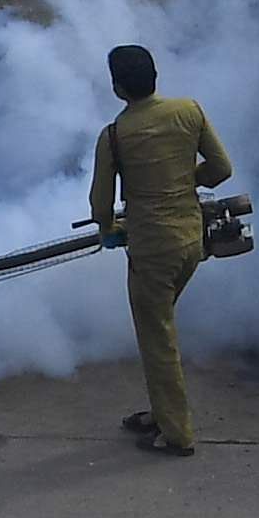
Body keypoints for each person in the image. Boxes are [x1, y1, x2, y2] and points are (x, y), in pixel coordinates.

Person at [87, 42, 231, 458]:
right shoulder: (190, 110)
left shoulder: (114, 135)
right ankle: (162, 411)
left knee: (158, 339)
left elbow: (100, 204)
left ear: (117, 89)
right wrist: (186, 183)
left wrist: (109, 228)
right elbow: (221, 169)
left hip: (151, 250)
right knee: (160, 329)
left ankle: (177, 434)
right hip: (192, 242)